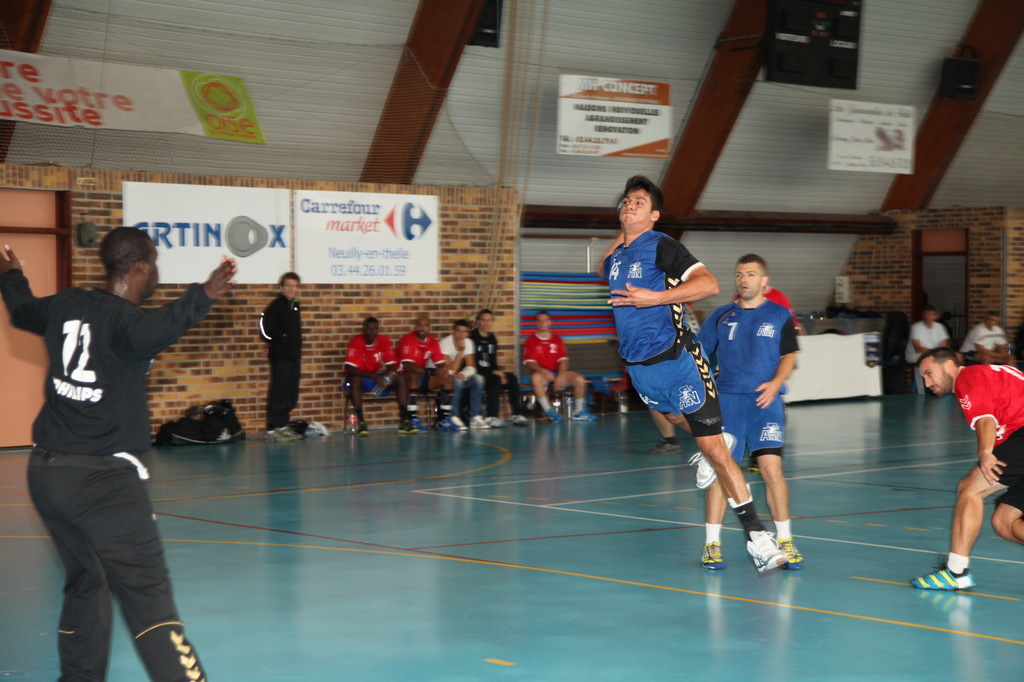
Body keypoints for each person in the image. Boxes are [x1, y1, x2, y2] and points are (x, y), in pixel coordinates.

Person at [0, 228, 234, 681]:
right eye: (155, 261)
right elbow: (160, 327)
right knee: (148, 601)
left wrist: (11, 275)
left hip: (47, 473)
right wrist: (203, 294)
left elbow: (22, 309)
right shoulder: (127, 324)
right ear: (141, 266)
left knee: (87, 582)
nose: (157, 270)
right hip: (104, 483)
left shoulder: (66, 303)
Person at [598, 174, 788, 572]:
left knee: (715, 451)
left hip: (678, 360)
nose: (629, 204)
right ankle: (716, 438)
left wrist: (657, 297)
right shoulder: (616, 258)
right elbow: (605, 266)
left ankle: (758, 539)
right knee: (673, 418)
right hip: (639, 369)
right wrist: (624, 232)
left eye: (639, 202)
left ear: (655, 215)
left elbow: (709, 284)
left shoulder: (662, 245)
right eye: (626, 200)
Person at [696, 254, 802, 570]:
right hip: (727, 403)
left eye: (751, 274)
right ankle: (712, 545)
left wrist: (776, 383)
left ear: (764, 281)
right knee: (722, 472)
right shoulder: (720, 315)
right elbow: (699, 355)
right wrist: (705, 385)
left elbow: (788, 356)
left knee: (771, 469)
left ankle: (785, 540)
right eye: (739, 274)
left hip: (765, 404)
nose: (744, 279)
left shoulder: (779, 314)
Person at [911, 347, 1024, 590]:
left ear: (949, 366)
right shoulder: (985, 375)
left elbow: (986, 420)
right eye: (923, 377)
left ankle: (956, 572)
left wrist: (985, 452)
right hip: (1018, 436)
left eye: (929, 373)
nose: (927, 383)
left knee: (970, 489)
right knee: (1005, 522)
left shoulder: (967, 379)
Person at [522, 311, 597, 422]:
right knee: (535, 378)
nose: (542, 323)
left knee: (580, 380)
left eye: (545, 320)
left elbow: (564, 360)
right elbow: (530, 363)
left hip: (558, 371)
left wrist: (560, 376)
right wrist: (544, 372)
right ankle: (549, 411)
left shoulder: (557, 339)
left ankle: (579, 412)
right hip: (542, 374)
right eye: (539, 321)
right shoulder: (530, 341)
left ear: (550, 322)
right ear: (536, 323)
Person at [259, 272, 303, 441]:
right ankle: (273, 428)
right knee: (279, 391)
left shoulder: (295, 305)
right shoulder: (276, 306)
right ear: (281, 287)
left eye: (294, 286)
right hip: (281, 356)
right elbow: (264, 327)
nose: (291, 289)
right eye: (288, 285)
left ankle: (283, 424)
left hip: (294, 356)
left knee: (290, 392)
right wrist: (273, 343)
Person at [471, 309, 529, 427]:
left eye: (489, 320)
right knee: (495, 379)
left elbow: (493, 362)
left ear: (493, 322)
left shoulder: (492, 338)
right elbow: (473, 363)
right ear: (478, 321)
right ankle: (491, 416)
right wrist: (494, 373)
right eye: (483, 320)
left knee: (512, 378)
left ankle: (517, 415)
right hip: (477, 374)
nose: (486, 323)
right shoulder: (472, 337)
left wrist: (500, 373)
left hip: (490, 373)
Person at [343, 316, 399, 436]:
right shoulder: (356, 341)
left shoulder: (383, 340)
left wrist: (391, 375)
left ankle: (406, 421)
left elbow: (391, 365)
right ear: (364, 329)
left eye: (375, 329)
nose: (372, 332)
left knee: (401, 378)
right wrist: (374, 377)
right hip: (358, 377)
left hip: (374, 377)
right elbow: (350, 369)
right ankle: (362, 423)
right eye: (369, 329)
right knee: (355, 379)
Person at [396, 315, 449, 432]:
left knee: (447, 378)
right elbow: (408, 366)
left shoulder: (432, 341)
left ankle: (444, 419)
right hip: (402, 377)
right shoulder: (407, 339)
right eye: (419, 325)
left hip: (421, 375)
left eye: (425, 325)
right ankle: (412, 419)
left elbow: (440, 363)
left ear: (429, 328)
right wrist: (432, 371)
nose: (422, 328)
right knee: (413, 375)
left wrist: (443, 371)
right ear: (415, 326)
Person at [439, 319, 490, 430]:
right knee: (456, 381)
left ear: (468, 333)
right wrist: (461, 352)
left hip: (456, 375)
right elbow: (450, 370)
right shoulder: (444, 344)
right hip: (441, 377)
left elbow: (472, 367)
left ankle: (474, 417)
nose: (461, 334)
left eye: (464, 331)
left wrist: (464, 374)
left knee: (478, 379)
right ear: (453, 331)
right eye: (458, 331)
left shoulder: (469, 342)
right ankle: (454, 416)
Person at [905, 304, 951, 393]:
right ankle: (920, 390)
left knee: (950, 358)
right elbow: (918, 348)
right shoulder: (916, 327)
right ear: (923, 315)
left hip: (934, 353)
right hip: (915, 354)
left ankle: (945, 386)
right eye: (926, 314)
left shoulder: (939, 327)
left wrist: (941, 353)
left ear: (935, 316)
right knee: (925, 358)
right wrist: (935, 352)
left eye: (931, 315)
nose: (928, 317)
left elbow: (945, 346)